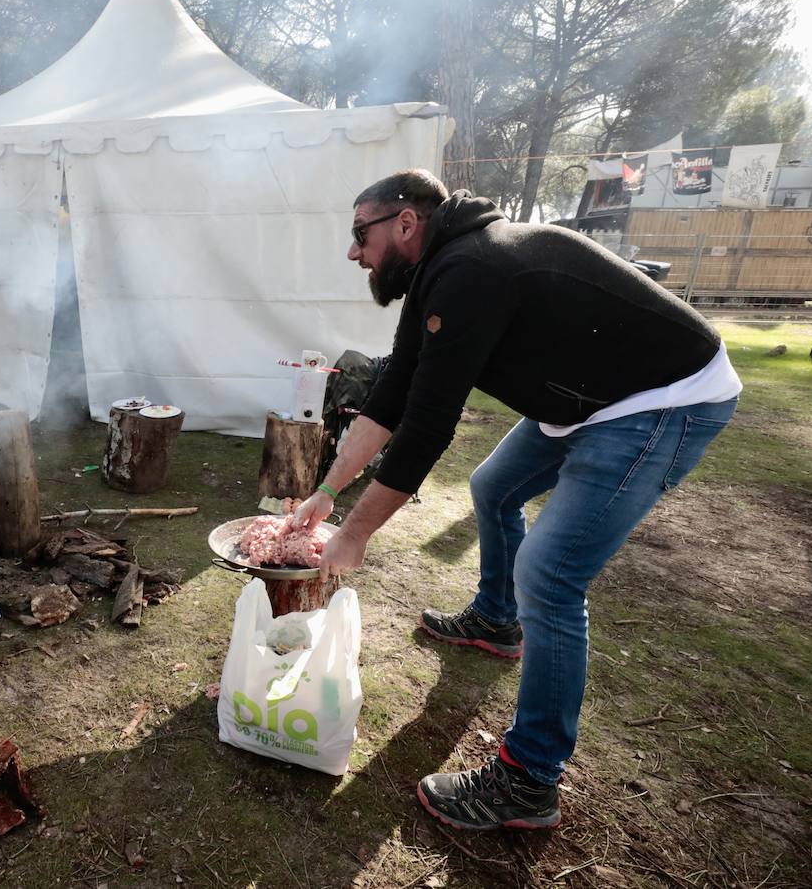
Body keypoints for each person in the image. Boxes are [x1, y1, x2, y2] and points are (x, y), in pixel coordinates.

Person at [289, 169, 740, 831]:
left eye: (361, 234)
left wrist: (354, 536)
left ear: (405, 223)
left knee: (551, 577)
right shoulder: (439, 270)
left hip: (662, 400)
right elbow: (394, 395)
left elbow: (429, 424)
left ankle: (530, 780)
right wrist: (328, 494)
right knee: (492, 486)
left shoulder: (474, 269)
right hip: (590, 400)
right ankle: (496, 621)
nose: (354, 252)